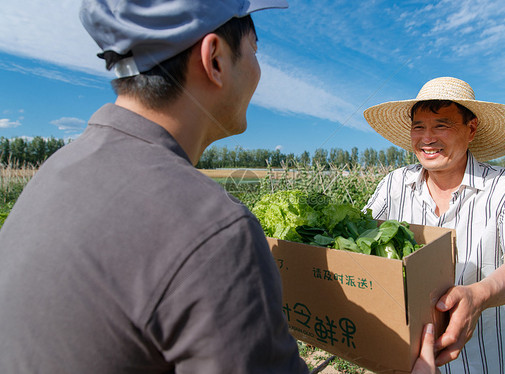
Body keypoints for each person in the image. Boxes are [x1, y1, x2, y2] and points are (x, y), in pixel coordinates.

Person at [0, 0, 439, 373]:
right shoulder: (213, 228)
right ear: (214, 60)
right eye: (255, 48)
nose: (260, 70)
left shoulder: (56, 171)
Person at [362, 76, 505, 373]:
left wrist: (478, 295)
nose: (427, 138)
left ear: (471, 130)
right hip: (402, 357)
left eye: (441, 125)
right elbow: (359, 238)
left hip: (481, 360)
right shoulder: (394, 183)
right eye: (418, 127)